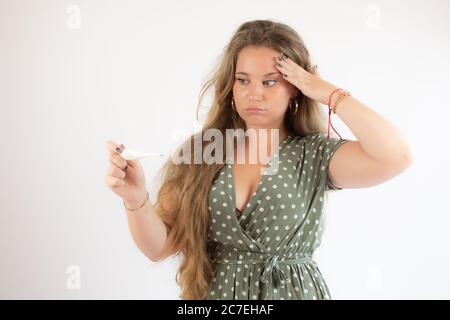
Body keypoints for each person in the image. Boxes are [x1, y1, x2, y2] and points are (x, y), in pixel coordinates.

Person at [104, 19, 413, 300]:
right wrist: (136, 198)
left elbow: (396, 156)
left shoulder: (315, 154)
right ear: (230, 86)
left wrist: (329, 93)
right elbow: (159, 248)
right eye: (243, 80)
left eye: (270, 82)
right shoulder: (204, 152)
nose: (254, 94)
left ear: (295, 87)